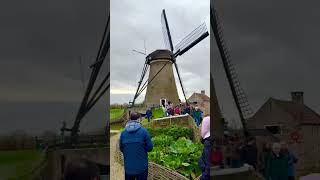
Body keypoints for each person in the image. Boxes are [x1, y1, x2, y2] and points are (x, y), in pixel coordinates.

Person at [119, 112, 153, 180]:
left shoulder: (123, 133)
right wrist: (141, 148)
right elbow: (150, 148)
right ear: (139, 119)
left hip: (128, 168)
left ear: (130, 119)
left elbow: (121, 148)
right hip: (141, 168)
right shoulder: (144, 132)